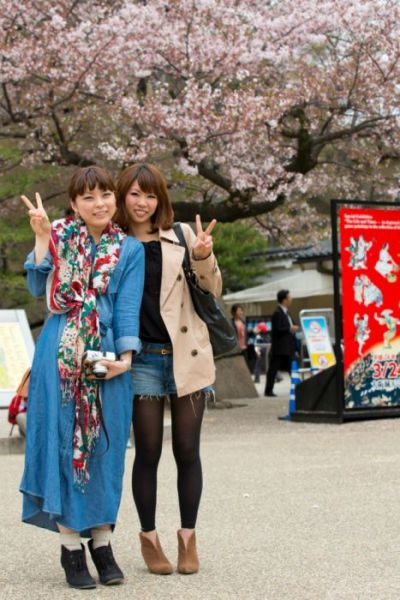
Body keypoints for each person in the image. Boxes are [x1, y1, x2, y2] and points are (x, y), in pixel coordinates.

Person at [19, 166, 145, 589]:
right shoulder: (56, 235)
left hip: (106, 355)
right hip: (58, 352)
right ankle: (71, 547)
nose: (99, 204)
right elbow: (38, 289)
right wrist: (40, 237)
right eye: (88, 197)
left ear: (115, 199)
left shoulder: (129, 249)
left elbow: (127, 307)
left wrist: (126, 359)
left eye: (106, 195)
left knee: (104, 446)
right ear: (73, 204)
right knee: (61, 441)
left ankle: (103, 542)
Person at [115, 163, 222, 575]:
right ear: (123, 196)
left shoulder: (182, 236)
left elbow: (213, 291)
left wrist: (204, 255)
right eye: (135, 194)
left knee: (188, 450)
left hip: (186, 355)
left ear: (161, 199)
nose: (143, 203)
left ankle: (188, 538)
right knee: (148, 452)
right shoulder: (115, 243)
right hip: (140, 359)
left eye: (151, 195)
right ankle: (149, 538)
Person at [264, 290, 299, 397]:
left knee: (291, 368)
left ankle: (297, 388)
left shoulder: (286, 312)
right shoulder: (277, 313)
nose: (291, 299)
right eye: (289, 297)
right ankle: (268, 390)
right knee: (273, 369)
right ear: (284, 300)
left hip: (288, 346)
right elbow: (278, 329)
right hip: (280, 347)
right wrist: (290, 328)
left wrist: (293, 328)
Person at [231, 304, 254, 371]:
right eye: (239, 311)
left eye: (241, 311)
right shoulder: (231, 323)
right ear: (234, 312)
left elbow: (246, 334)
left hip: (244, 348)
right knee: (237, 367)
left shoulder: (243, 322)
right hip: (236, 349)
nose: (241, 312)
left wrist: (252, 332)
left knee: (245, 367)